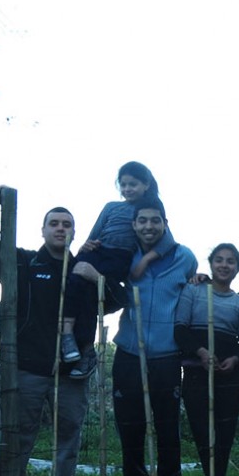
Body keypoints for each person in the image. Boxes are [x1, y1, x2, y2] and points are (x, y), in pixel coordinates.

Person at [0, 189, 91, 476]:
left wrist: (99, 279)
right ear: (43, 230)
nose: (60, 228)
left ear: (74, 232)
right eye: (54, 223)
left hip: (71, 370)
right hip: (28, 366)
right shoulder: (23, 263)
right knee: (17, 434)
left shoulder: (82, 269)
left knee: (68, 433)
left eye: (67, 224)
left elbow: (115, 298)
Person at [96, 199, 198, 476]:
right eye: (142, 221)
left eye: (155, 220)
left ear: (165, 223)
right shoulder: (124, 255)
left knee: (167, 426)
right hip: (128, 348)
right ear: (134, 224)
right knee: (130, 424)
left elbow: (193, 291)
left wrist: (201, 280)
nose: (148, 226)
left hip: (167, 354)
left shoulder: (185, 257)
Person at [66, 162, 176, 379]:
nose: (127, 189)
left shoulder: (149, 209)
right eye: (123, 185)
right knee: (73, 278)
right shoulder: (110, 207)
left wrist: (144, 261)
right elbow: (95, 233)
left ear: (146, 184)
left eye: (132, 184)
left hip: (120, 258)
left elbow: (167, 241)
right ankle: (66, 333)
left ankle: (87, 349)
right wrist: (85, 246)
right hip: (98, 251)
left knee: (92, 291)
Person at [176, 244, 239, 476]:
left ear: (237, 267)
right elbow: (180, 330)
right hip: (197, 374)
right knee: (202, 433)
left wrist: (235, 361)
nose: (224, 265)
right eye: (219, 260)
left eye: (230, 261)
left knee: (224, 435)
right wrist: (200, 352)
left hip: (227, 377)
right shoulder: (193, 292)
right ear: (210, 264)